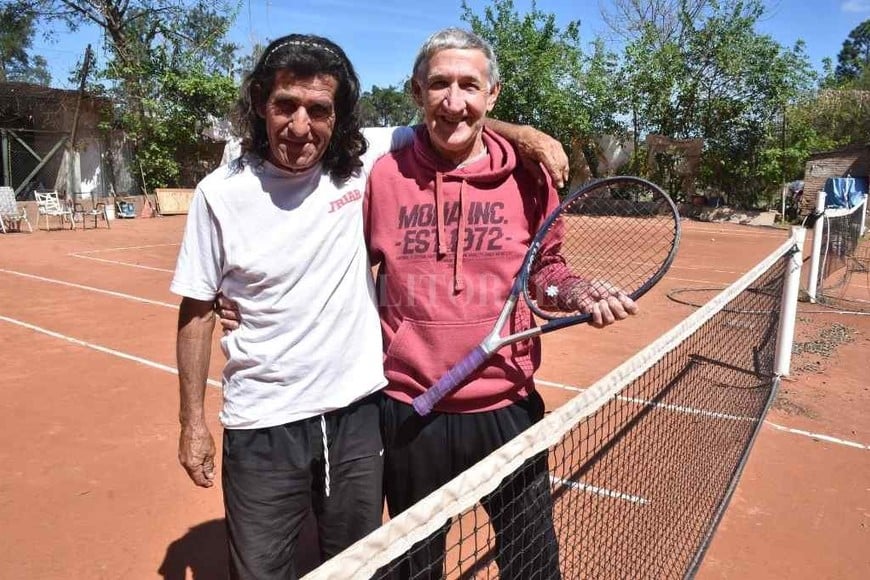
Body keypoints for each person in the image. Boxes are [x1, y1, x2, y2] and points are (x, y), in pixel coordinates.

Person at [176, 33, 569, 579]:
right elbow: (196, 310)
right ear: (261, 102)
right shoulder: (222, 193)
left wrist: (523, 134)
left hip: (356, 415)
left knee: (361, 567)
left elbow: (454, 118)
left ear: (338, 117)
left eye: (319, 110)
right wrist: (192, 423)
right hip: (268, 418)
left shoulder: (359, 163)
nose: (300, 126)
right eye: (285, 105)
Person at [364, 28, 637, 578]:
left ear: (493, 94)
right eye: (439, 84)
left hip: (507, 407)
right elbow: (340, 266)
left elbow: (546, 273)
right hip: (411, 410)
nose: (454, 101)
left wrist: (575, 293)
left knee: (533, 566)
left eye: (470, 85)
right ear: (417, 92)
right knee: (415, 569)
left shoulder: (531, 177)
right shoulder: (383, 173)